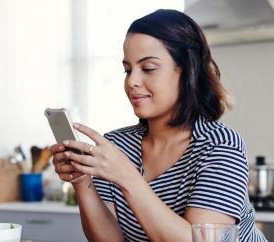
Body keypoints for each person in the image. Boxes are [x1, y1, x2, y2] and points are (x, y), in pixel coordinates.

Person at [50, 9, 267, 242]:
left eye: (149, 68)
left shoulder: (220, 145)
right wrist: (82, 182)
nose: (132, 81)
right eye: (127, 69)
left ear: (187, 71)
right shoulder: (116, 145)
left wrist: (127, 177)